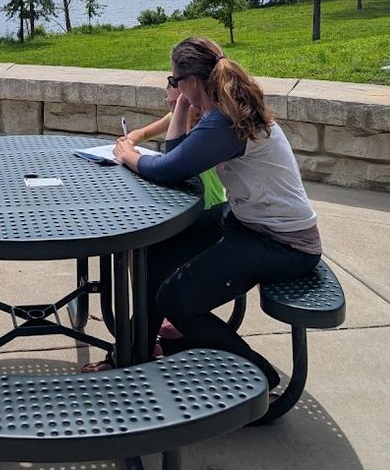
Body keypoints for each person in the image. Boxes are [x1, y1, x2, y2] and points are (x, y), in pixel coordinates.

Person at [113, 36, 321, 395]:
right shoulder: (222, 110)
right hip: (246, 221)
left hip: (283, 243)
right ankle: (137, 353)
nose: (173, 87)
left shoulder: (225, 120)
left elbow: (169, 169)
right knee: (155, 253)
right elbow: (181, 157)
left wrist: (128, 154)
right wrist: (180, 106)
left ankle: (260, 380)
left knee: (176, 300)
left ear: (192, 81)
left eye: (175, 81)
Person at [82, 83, 226, 372]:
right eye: (169, 103)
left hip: (204, 210)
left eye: (176, 102)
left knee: (149, 247)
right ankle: (147, 320)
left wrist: (132, 156)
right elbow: (146, 133)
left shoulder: (205, 130)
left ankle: (145, 330)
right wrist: (129, 140)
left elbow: (173, 167)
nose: (171, 107)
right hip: (188, 206)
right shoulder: (178, 115)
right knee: (143, 248)